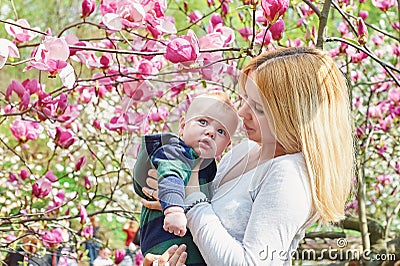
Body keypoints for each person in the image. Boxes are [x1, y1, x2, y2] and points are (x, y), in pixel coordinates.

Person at [141, 47, 355, 265]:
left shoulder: (289, 175)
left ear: (293, 117)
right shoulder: (243, 151)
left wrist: (190, 198)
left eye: (258, 108)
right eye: (245, 99)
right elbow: (207, 230)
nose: (242, 112)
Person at [132, 91, 239, 265]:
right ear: (182, 127)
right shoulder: (176, 151)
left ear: (225, 147)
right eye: (203, 122)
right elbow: (171, 175)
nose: (210, 132)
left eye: (221, 131)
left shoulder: (209, 168)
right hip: (167, 238)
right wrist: (173, 209)